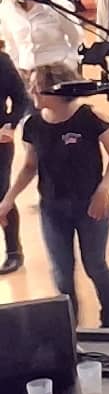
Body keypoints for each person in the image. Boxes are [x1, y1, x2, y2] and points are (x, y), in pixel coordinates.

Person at [0, 63, 109, 325]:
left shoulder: (91, 117)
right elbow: (30, 166)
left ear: (57, 90)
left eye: (38, 89)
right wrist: (8, 200)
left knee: (95, 266)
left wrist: (103, 190)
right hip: (52, 208)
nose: (32, 93)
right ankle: (71, 326)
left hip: (90, 205)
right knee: (62, 273)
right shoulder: (33, 125)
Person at [1, 0, 85, 74]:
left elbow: (76, 37)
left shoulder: (56, 6)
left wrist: (67, 64)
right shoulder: (8, 7)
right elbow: (10, 43)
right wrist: (16, 69)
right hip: (26, 74)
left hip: (56, 73)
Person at [0, 46, 25, 274]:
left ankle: (13, 251)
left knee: (1, 193)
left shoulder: (1, 61)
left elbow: (21, 98)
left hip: (0, 141)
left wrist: (10, 123)